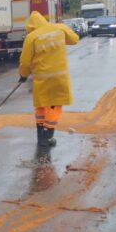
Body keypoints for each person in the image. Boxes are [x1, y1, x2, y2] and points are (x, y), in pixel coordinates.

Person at [18, 11, 79, 147]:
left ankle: (41, 136)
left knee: (41, 106)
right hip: (58, 78)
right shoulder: (59, 28)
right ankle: (47, 137)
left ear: (30, 26)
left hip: (41, 80)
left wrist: (23, 75)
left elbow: (25, 62)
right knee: (53, 106)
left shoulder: (31, 37)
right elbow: (74, 39)